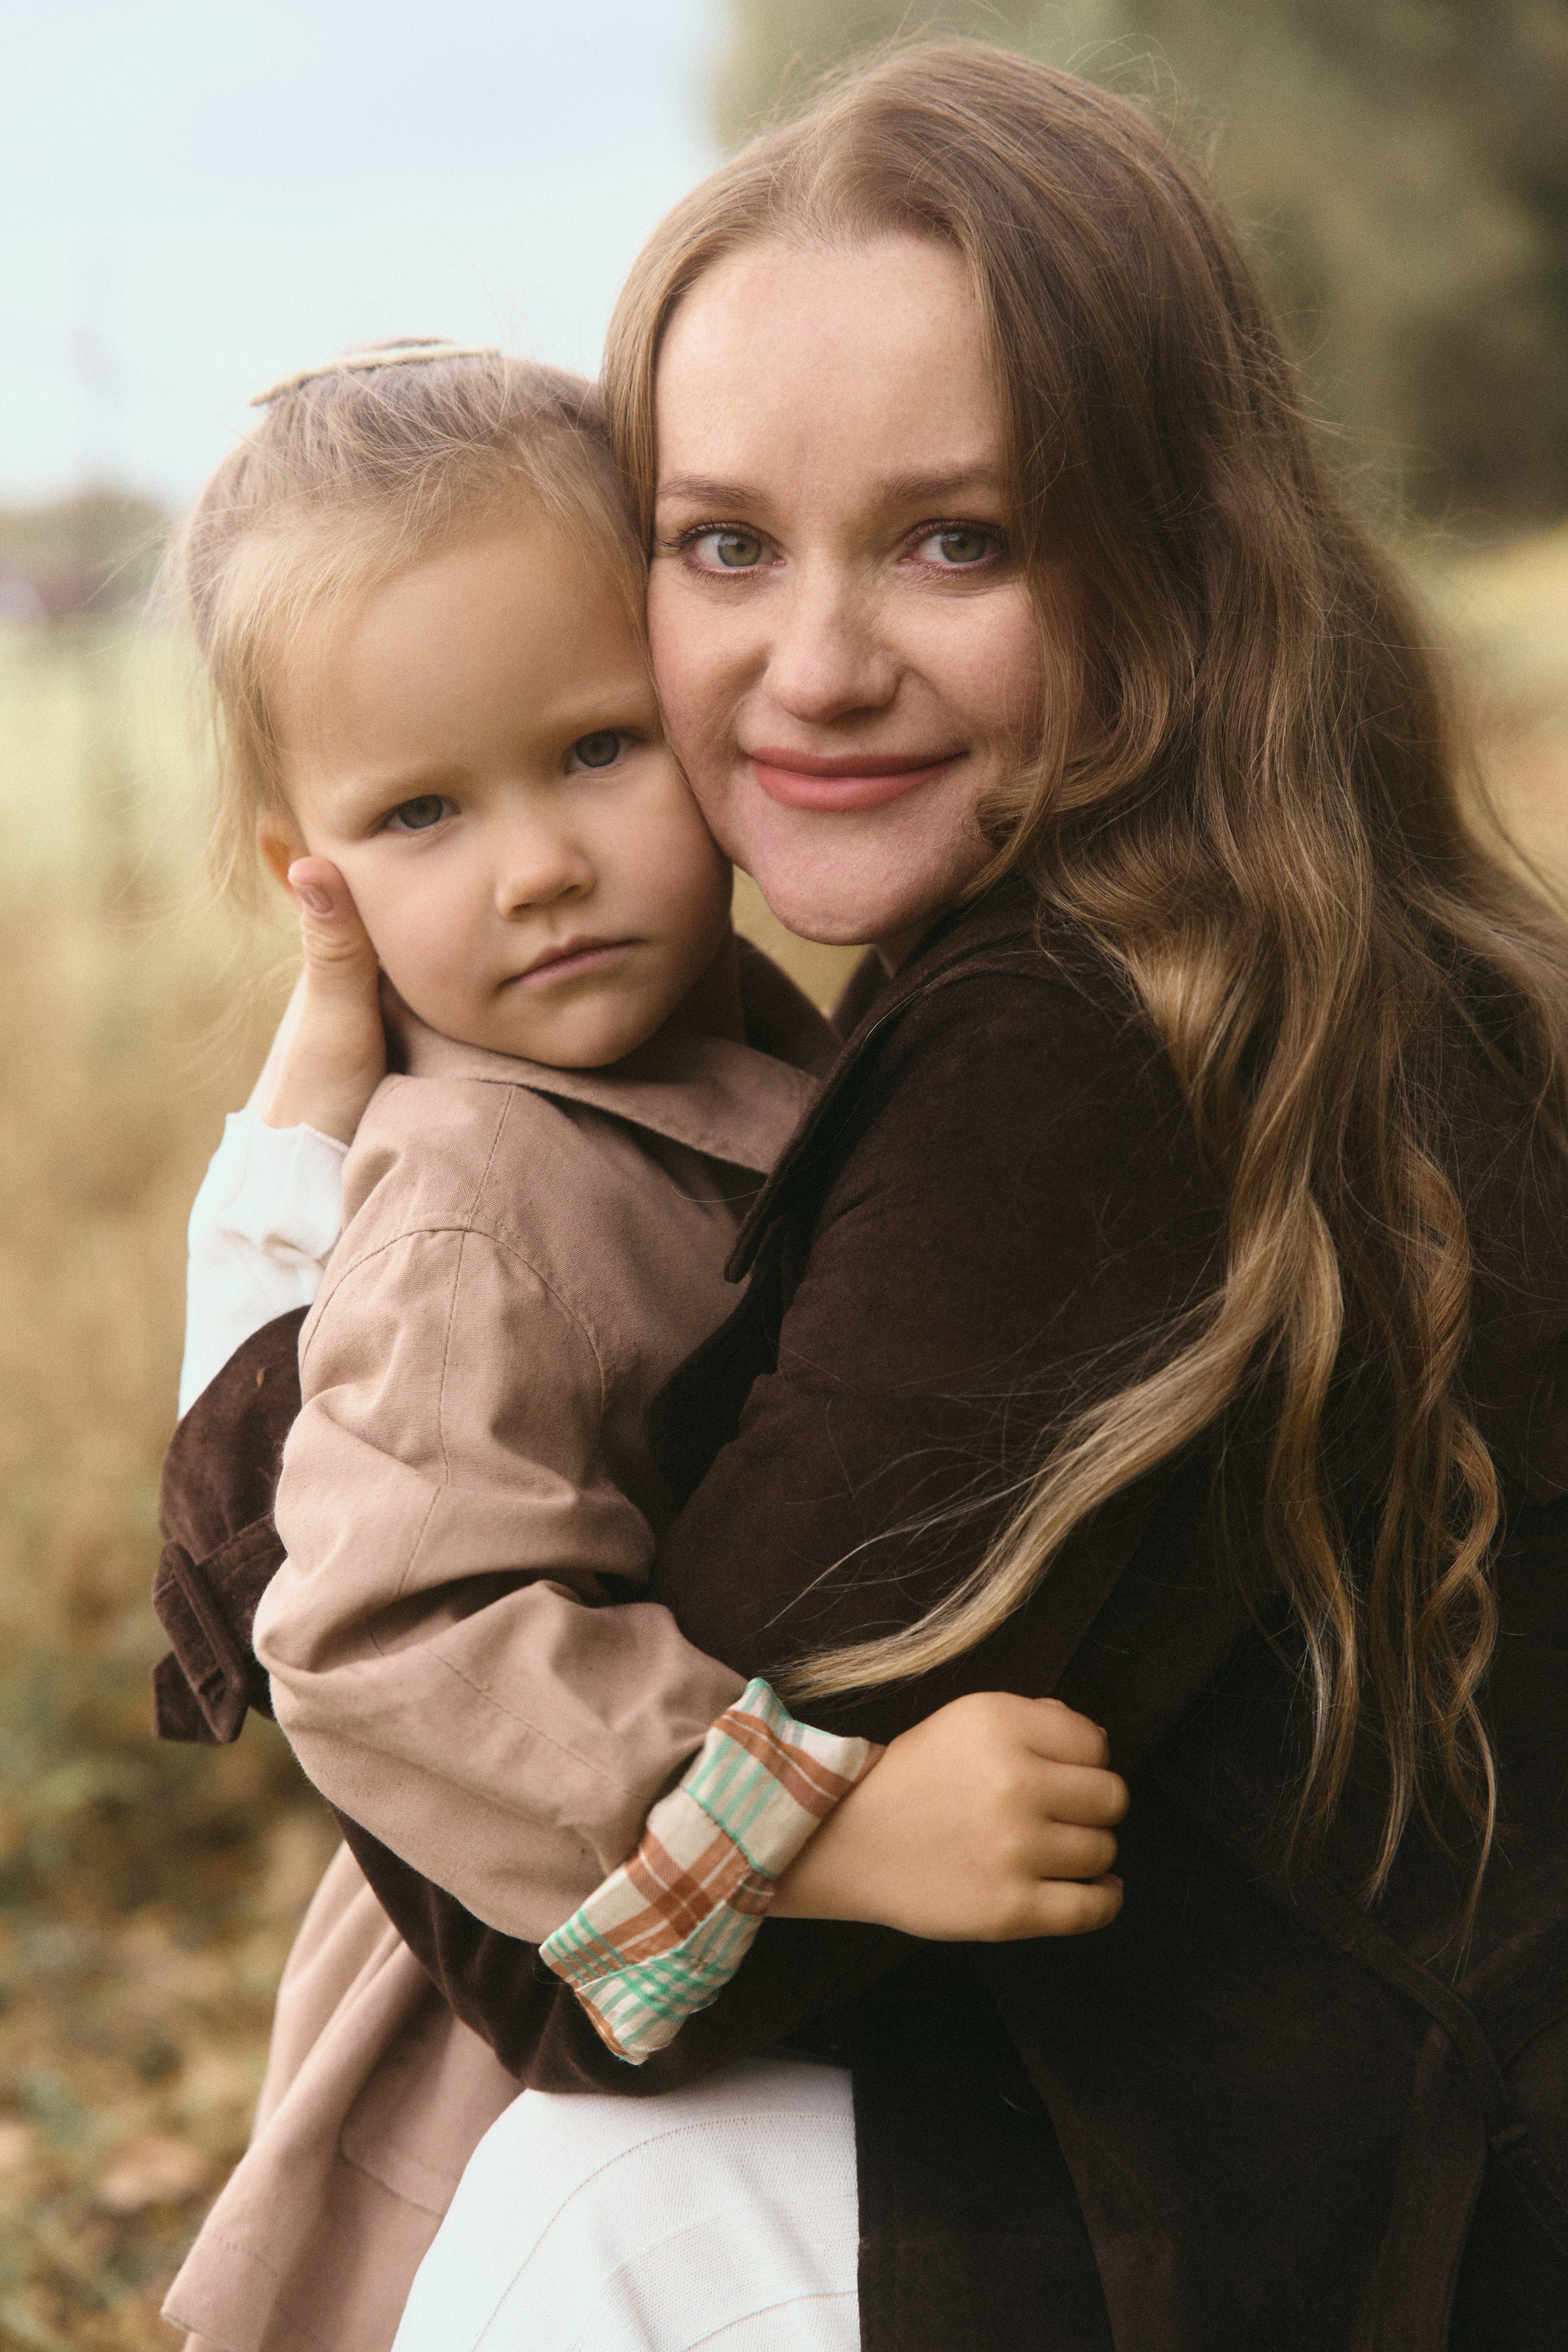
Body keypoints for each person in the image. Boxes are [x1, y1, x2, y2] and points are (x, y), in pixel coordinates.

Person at [156, 40, 1568, 2352]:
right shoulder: (1258, 934)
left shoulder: (1072, 1060)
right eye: (725, 543)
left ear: (1174, 552)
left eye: (955, 540)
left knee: (599, 2209)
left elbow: (592, 1981)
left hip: (1383, 2221)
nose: (811, 671)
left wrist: (259, 1334)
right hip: (1358, 2137)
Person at [154, 340, 1126, 2352]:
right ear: (309, 875)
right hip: (532, 2060)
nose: (540, 868)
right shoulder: (471, 1198)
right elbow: (383, 1639)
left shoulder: (737, 1044)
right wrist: (821, 1832)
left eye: (598, 749)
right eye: (423, 811)